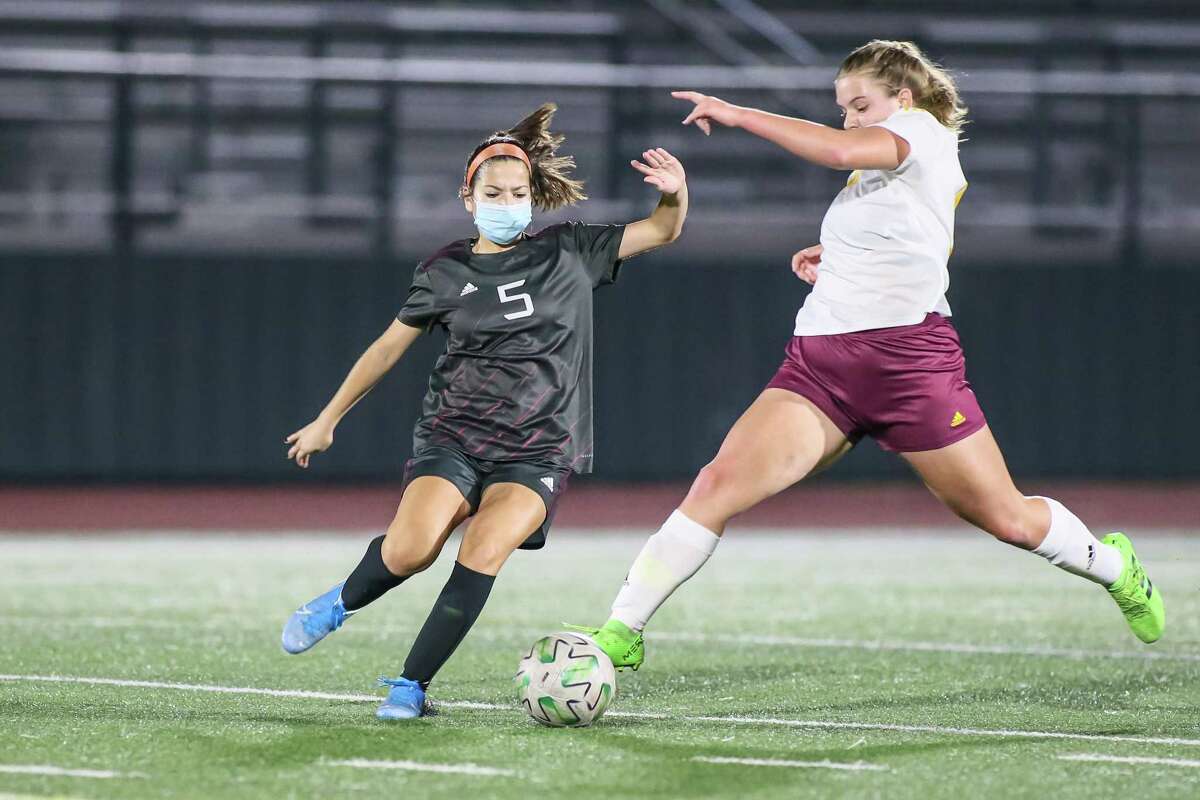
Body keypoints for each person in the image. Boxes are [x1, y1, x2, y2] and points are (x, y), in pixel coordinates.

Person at [571, 40, 1164, 672]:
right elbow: (909, 232)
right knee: (716, 485)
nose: (850, 119)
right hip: (821, 364)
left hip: (909, 366)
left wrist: (739, 113)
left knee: (1008, 519)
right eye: (843, 108)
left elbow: (834, 150)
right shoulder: (883, 165)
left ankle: (1113, 566)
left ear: (903, 100)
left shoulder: (922, 132)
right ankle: (622, 628)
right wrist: (834, 258)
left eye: (861, 105)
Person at [280, 103, 689, 719]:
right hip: (456, 438)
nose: (507, 200)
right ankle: (340, 600)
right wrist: (328, 418)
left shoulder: (571, 251)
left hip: (538, 449)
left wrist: (675, 195)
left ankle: (409, 686)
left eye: (518, 191)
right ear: (467, 197)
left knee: (482, 552)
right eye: (493, 191)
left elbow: (662, 230)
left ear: (534, 196)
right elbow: (387, 348)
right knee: (411, 550)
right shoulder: (444, 272)